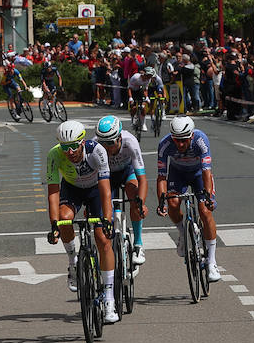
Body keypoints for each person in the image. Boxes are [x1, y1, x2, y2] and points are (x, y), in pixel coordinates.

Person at [44, 120, 117, 325]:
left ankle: (109, 298)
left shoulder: (97, 151)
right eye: (65, 147)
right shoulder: (54, 155)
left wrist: (107, 219)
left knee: (102, 238)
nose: (69, 152)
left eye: (74, 146)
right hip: (72, 189)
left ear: (82, 142)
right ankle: (73, 262)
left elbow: (106, 190)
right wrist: (54, 224)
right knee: (64, 219)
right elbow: (53, 192)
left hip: (96, 190)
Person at [156, 115, 221, 283]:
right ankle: (182, 233)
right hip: (177, 174)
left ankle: (212, 262)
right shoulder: (165, 144)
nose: (180, 144)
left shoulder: (201, 140)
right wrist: (161, 201)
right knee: (172, 203)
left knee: (205, 211)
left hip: (199, 173)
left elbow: (207, 171)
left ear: (191, 136)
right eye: (176, 140)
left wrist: (208, 196)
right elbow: (161, 177)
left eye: (184, 140)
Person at [94, 115, 148, 264]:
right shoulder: (94, 145)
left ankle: (138, 244)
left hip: (127, 172)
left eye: (110, 143)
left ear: (119, 138)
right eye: (102, 143)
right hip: (106, 176)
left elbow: (142, 179)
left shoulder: (130, 142)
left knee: (133, 195)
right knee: (104, 210)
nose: (107, 148)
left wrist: (140, 203)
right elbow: (92, 180)